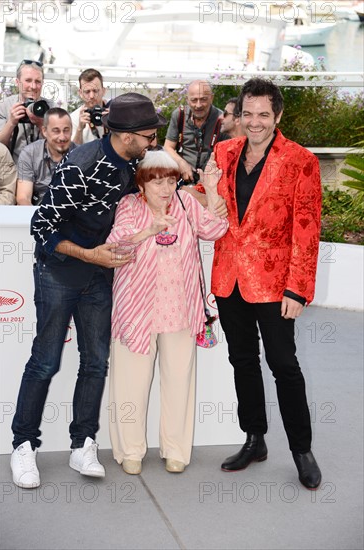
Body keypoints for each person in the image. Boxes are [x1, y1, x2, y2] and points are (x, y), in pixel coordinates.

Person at [10, 92, 167, 489]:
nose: (153, 139)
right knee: (45, 361)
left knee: (96, 361)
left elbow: (172, 178)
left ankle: (83, 443)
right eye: (149, 134)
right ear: (127, 134)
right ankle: (23, 446)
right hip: (59, 273)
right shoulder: (79, 165)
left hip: (99, 276)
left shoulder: (134, 161)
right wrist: (88, 254)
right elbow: (40, 227)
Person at [204, 78, 322, 490]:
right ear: (239, 114)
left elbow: (306, 229)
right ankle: (254, 439)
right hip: (229, 277)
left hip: (275, 284)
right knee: (242, 360)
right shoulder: (222, 152)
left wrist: (298, 288)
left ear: (278, 116)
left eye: (263, 115)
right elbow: (209, 202)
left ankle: (302, 450)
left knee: (284, 366)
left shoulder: (300, 161)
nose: (254, 123)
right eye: (248, 114)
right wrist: (200, 186)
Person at [106, 149, 228, 475]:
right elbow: (117, 243)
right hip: (137, 311)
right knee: (130, 384)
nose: (164, 188)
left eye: (171, 180)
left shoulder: (187, 205)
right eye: (157, 180)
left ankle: (175, 449)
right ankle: (130, 450)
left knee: (178, 383)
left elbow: (217, 229)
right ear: (142, 183)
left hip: (180, 310)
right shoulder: (130, 206)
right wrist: (149, 230)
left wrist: (212, 189)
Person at [164, 80, 223, 183]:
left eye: (203, 99)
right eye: (194, 100)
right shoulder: (179, 115)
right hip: (183, 178)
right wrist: (181, 163)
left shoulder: (221, 119)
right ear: (187, 100)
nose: (198, 105)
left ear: (211, 98)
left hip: (212, 180)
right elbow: (168, 147)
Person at [0, 60, 54, 163]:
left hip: (43, 170)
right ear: (18, 82)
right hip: (13, 170)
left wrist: (41, 125)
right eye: (28, 80)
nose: (33, 86)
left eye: (37, 81)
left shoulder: (50, 107)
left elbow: (59, 147)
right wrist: (11, 123)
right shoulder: (5, 105)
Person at [16, 108, 75, 205]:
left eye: (66, 130)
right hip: (37, 211)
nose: (62, 137)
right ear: (44, 131)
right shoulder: (29, 153)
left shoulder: (81, 155)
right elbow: (23, 198)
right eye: (56, 131)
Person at [70, 68, 109, 145]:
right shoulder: (74, 118)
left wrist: (115, 125)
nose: (91, 96)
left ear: (103, 91)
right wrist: (79, 129)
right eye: (87, 92)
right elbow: (73, 153)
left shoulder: (113, 112)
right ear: (80, 93)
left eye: (95, 91)